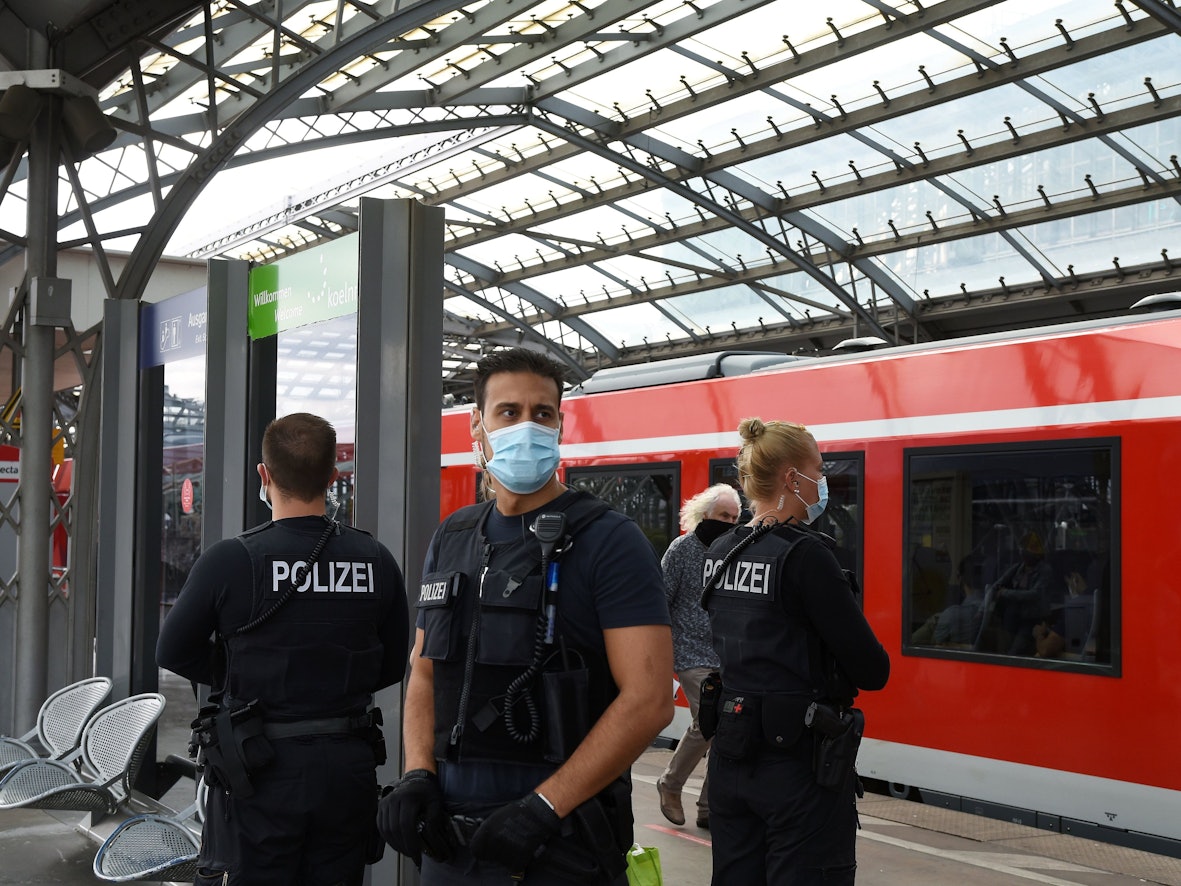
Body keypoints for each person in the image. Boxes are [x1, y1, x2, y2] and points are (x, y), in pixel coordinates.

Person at [377, 347, 673, 884]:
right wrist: (418, 773)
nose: (527, 427)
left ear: (560, 425)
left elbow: (649, 701)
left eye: (543, 414)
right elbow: (424, 670)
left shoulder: (610, 541)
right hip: (450, 835)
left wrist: (543, 808)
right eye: (509, 412)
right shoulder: (453, 536)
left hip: (559, 836)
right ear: (478, 425)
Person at [157, 412, 410, 886]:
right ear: (332, 477)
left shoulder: (230, 560)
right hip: (346, 769)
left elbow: (172, 650)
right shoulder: (375, 560)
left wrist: (239, 673)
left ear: (264, 474)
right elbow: (393, 663)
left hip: (257, 768)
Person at [700, 418, 889, 885]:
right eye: (818, 470)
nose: (823, 481)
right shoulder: (806, 556)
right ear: (792, 478)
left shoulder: (720, 551)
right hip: (798, 771)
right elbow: (873, 669)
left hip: (730, 757)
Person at [656, 483, 741, 830]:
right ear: (704, 515)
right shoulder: (682, 549)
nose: (730, 523)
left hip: (725, 652)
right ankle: (670, 784)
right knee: (709, 720)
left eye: (735, 518)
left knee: (726, 728)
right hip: (689, 650)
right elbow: (661, 597)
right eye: (724, 516)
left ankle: (708, 806)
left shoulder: (736, 549)